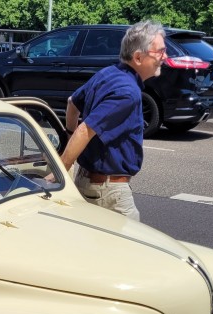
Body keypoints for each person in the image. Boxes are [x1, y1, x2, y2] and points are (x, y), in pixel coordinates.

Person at [59, 21, 167, 221]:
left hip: (91, 183)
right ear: (138, 57)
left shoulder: (107, 73)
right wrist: (61, 170)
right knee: (135, 248)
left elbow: (72, 103)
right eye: (160, 52)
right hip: (108, 193)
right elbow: (85, 130)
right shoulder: (128, 93)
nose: (165, 57)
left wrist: (68, 135)